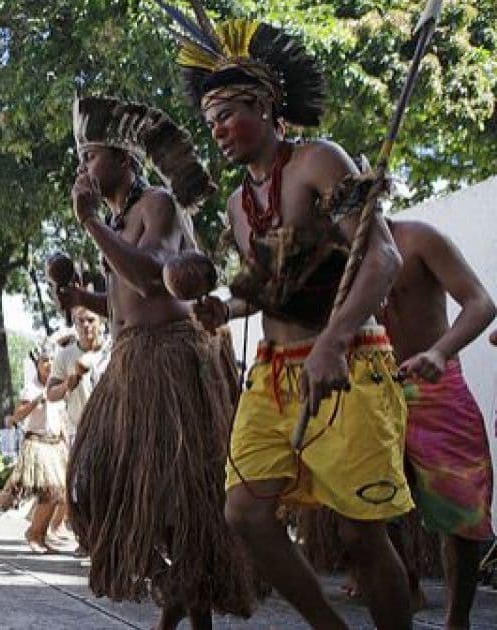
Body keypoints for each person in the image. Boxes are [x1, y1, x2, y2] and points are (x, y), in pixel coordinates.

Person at [167, 10, 414, 628]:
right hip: (273, 373)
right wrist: (227, 305)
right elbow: (274, 290)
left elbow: (381, 256)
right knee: (244, 513)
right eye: (210, 121)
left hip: (349, 359)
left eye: (229, 114)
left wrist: (333, 340)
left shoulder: (320, 161)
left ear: (268, 104)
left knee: (361, 534)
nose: (219, 130)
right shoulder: (237, 202)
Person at [59, 96, 258, 628]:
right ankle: (176, 600)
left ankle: (186, 616)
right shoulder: (122, 219)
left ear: (125, 159)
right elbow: (127, 299)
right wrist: (83, 298)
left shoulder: (158, 206)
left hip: (169, 361)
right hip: (128, 364)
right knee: (98, 487)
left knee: (181, 501)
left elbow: (152, 277)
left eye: (91, 157)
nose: (83, 169)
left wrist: (91, 225)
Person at [379, 218, 495, 628]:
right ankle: (405, 591)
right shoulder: (331, 256)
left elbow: (481, 302)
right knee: (370, 506)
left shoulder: (419, 240)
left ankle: (456, 622)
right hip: (372, 391)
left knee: (462, 509)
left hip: (436, 385)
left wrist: (440, 352)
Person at [0, 342, 69, 554]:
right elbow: (17, 416)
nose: (49, 364)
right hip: (37, 444)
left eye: (52, 360)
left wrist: (66, 445)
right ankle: (34, 534)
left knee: (60, 496)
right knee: (51, 492)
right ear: (37, 364)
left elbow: (61, 419)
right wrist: (37, 400)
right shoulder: (32, 388)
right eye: (44, 361)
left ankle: (40, 534)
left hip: (56, 446)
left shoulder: (58, 387)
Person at [44, 306, 106, 444]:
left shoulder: (112, 352)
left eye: (90, 320)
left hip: (111, 429)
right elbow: (50, 394)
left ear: (100, 322)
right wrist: (67, 384)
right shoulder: (64, 356)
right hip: (80, 432)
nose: (86, 325)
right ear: (75, 324)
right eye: (81, 321)